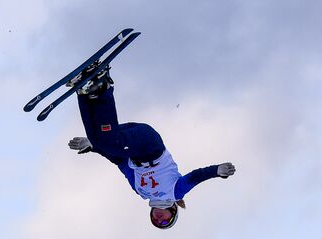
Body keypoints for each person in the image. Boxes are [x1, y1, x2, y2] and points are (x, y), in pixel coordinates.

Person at [66, 64, 236, 229]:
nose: (159, 220)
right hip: (149, 144)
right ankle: (103, 86)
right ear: (173, 211)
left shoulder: (141, 191)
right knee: (110, 142)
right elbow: (195, 176)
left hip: (131, 148)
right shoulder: (175, 193)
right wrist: (216, 171)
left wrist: (92, 146)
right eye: (165, 221)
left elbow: (121, 162)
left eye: (156, 222)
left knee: (97, 138)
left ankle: (84, 91)